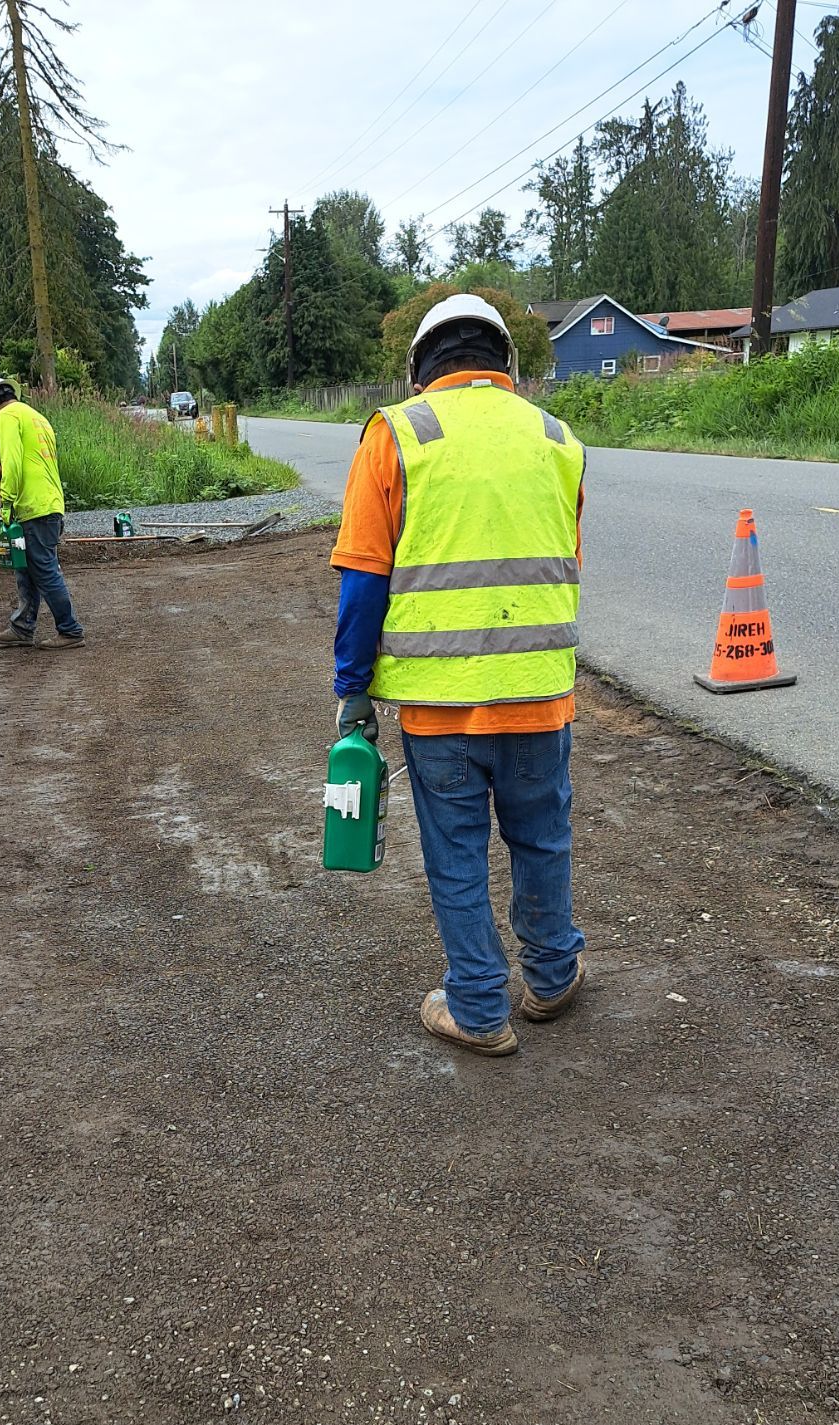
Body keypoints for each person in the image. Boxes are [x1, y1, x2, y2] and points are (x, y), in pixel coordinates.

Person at [331, 294, 587, 1058]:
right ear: (507, 364)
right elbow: (561, 562)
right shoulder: (558, 438)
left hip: (440, 708)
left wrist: (352, 689)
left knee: (457, 850)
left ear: (419, 367)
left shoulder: (397, 434)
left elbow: (363, 584)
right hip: (541, 697)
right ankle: (551, 976)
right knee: (542, 836)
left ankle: (478, 1007)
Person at [0, 377, 85, 650]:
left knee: (45, 569)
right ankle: (22, 627)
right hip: (50, 503)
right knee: (26, 568)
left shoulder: (7, 417)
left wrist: (6, 501)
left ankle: (70, 630)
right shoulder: (36, 416)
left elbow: (12, 463)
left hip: (34, 507)